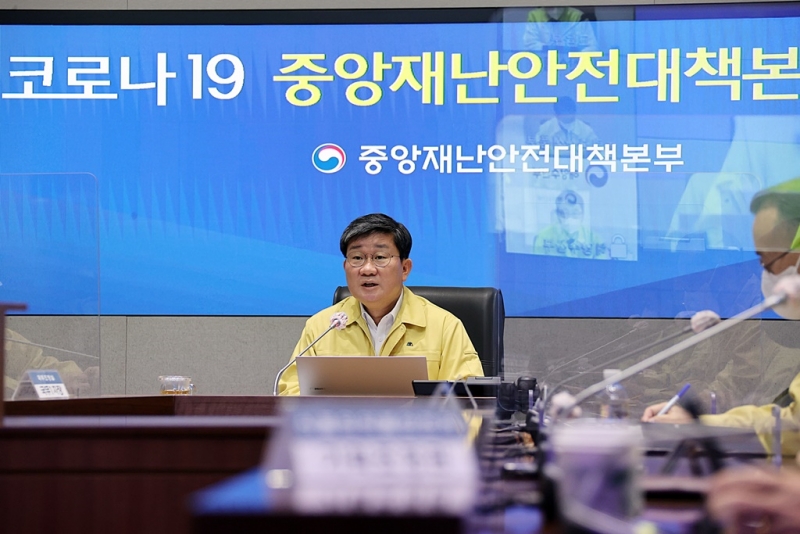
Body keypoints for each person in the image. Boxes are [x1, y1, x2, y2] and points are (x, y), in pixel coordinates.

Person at [642, 177, 800, 449]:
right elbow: (790, 421)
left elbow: (790, 428)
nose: (766, 276)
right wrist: (696, 422)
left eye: (767, 261)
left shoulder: (747, 313)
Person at [276, 213, 484, 396]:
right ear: (345, 266)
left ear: (404, 268)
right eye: (357, 257)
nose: (367, 269)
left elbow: (468, 400)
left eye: (380, 257)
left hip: (418, 437)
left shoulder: (444, 326)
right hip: (341, 437)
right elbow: (291, 392)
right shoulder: (322, 327)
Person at [533, 189, 608, 259]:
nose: (570, 217)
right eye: (565, 213)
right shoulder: (543, 237)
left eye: (575, 213)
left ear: (583, 214)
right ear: (558, 215)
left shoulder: (594, 239)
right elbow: (539, 266)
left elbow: (602, 268)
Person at [524, 96, 600, 149]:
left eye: (570, 112)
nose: (567, 115)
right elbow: (536, 147)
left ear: (574, 112)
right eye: (564, 112)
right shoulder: (546, 127)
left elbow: (596, 147)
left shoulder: (586, 130)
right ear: (557, 114)